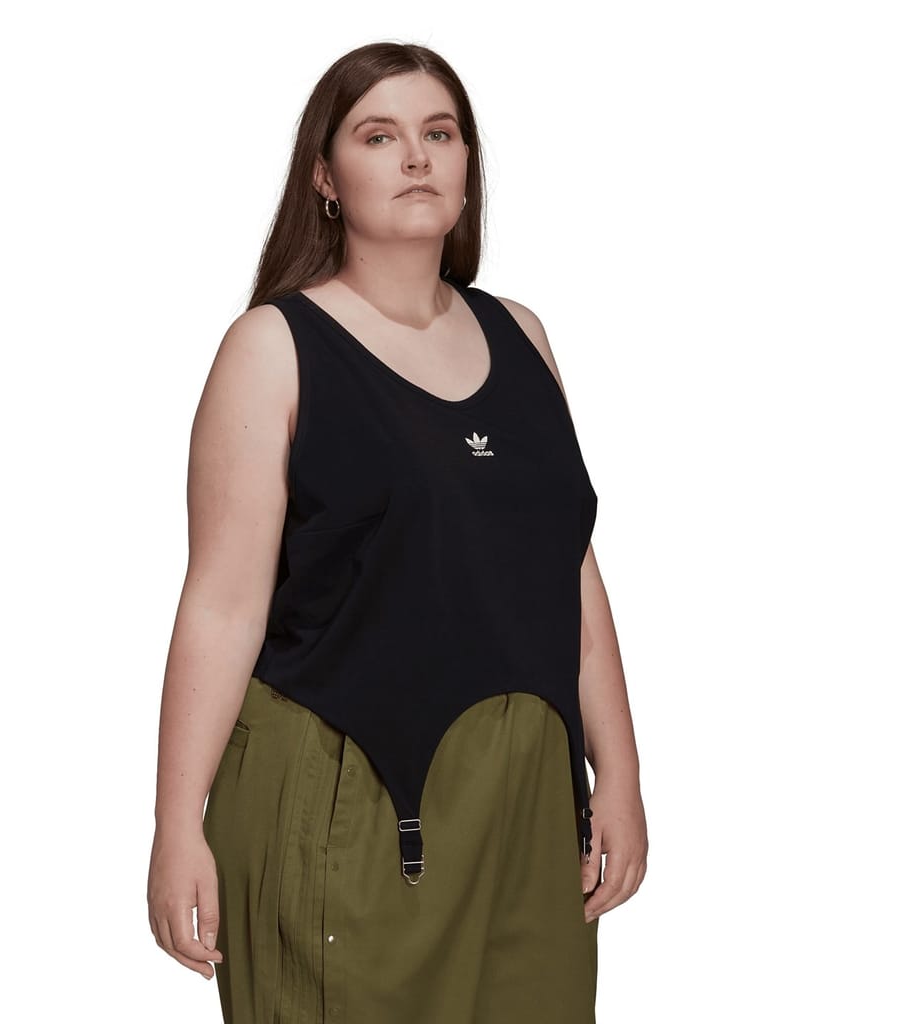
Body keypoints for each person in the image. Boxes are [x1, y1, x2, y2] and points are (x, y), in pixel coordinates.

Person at [147, 40, 648, 1024]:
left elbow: (568, 570)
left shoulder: (521, 335)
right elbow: (222, 605)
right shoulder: (274, 347)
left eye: (440, 133)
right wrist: (176, 823)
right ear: (325, 178)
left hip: (527, 804)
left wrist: (619, 773)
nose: (417, 156)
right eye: (379, 136)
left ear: (467, 165)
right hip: (347, 793)